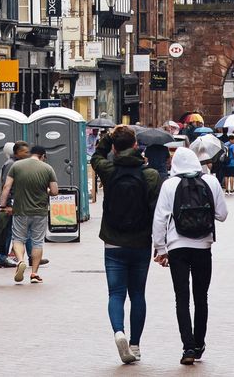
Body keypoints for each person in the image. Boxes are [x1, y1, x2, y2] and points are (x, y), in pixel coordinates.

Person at [90, 126, 161, 364]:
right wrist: (159, 243)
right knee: (138, 294)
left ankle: (118, 331)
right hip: (140, 242)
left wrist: (109, 136)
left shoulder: (109, 170)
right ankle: (135, 344)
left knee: (116, 293)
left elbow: (96, 158)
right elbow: (156, 212)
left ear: (114, 148)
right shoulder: (150, 175)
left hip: (112, 240)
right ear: (135, 146)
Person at [152, 146, 228, 365]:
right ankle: (199, 342)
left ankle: (187, 348)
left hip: (177, 248)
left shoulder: (169, 184)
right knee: (201, 297)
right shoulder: (211, 181)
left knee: (182, 298)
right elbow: (222, 215)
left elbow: (159, 219)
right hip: (203, 246)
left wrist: (160, 248)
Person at [0, 143, 58, 284]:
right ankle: (34, 273)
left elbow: (6, 187)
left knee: (18, 238)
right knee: (37, 241)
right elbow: (55, 191)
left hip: (20, 210)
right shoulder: (48, 168)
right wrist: (46, 191)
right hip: (40, 211)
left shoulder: (16, 166)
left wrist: (2, 205)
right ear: (43, 156)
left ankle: (20, 261)